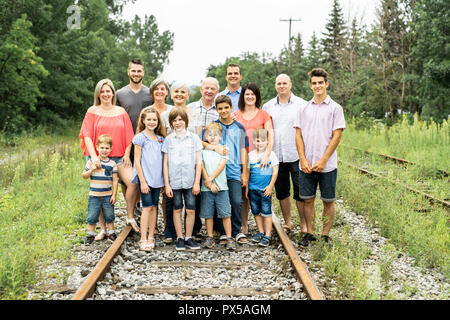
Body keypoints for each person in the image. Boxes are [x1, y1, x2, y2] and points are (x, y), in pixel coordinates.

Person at [294, 68, 346, 247]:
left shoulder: (335, 108)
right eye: (314, 83)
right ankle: (310, 232)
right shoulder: (303, 109)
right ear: (310, 86)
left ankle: (325, 235)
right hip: (307, 163)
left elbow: (337, 136)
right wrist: (302, 159)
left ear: (326, 84)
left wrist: (323, 160)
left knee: (328, 200)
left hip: (327, 165)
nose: (317, 86)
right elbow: (298, 135)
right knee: (307, 200)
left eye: (320, 83)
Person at [79, 79, 135, 238]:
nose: (105, 94)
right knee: (101, 192)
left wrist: (126, 154)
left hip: (119, 157)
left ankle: (129, 216)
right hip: (98, 158)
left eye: (108, 91)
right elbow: (87, 136)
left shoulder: (121, 111)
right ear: (98, 93)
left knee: (132, 182)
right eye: (102, 91)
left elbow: (130, 136)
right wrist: (94, 157)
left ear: (113, 93)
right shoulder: (92, 111)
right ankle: (103, 228)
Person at [262, 74, 308, 235]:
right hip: (276, 155)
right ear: (275, 85)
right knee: (282, 191)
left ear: (290, 84)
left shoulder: (302, 104)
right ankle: (287, 222)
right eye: (279, 83)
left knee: (300, 191)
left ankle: (303, 224)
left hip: (296, 154)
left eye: (284, 83)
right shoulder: (268, 106)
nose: (281, 86)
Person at [233, 83, 273, 237]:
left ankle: (263, 228)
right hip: (240, 159)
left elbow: (270, 136)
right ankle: (244, 224)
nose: (250, 97)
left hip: (258, 160)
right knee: (243, 194)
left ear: (257, 97)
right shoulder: (236, 115)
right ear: (243, 96)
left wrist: (267, 155)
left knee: (258, 193)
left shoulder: (264, 115)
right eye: (247, 94)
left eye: (253, 94)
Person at [162, 107, 203, 251]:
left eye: (180, 119)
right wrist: (167, 185)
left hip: (190, 181)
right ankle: (179, 237)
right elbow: (165, 164)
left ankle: (189, 237)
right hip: (174, 182)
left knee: (191, 209)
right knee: (177, 209)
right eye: (174, 120)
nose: (178, 123)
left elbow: (199, 162)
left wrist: (197, 182)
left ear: (185, 121)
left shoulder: (194, 138)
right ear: (171, 123)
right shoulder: (168, 140)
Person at [213, 95, 249, 245]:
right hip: (217, 172)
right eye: (220, 108)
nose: (223, 111)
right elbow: (204, 144)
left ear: (231, 108)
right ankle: (222, 231)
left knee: (236, 201)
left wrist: (244, 172)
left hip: (234, 170)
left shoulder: (239, 127)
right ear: (216, 110)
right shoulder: (213, 127)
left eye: (226, 108)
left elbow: (243, 150)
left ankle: (236, 230)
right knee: (220, 202)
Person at [132, 107, 165, 252]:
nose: (152, 122)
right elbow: (137, 161)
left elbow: (162, 160)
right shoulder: (140, 138)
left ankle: (152, 235)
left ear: (158, 122)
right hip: (145, 179)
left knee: (154, 207)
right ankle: (143, 237)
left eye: (154, 119)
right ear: (143, 121)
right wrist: (143, 181)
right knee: (146, 207)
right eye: (149, 119)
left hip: (157, 179)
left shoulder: (160, 139)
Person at [200, 122, 235, 250]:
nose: (212, 137)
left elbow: (222, 165)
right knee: (208, 214)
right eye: (209, 135)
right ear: (205, 137)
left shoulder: (224, 149)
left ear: (220, 136)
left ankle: (229, 237)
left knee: (225, 213)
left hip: (221, 188)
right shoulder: (203, 151)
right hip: (207, 188)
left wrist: (210, 179)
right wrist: (208, 182)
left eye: (215, 135)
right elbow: (201, 166)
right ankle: (209, 237)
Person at [82, 135, 118, 244]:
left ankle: (111, 232)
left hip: (107, 194)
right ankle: (91, 234)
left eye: (107, 148)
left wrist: (114, 195)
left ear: (111, 149)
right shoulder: (92, 162)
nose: (104, 150)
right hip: (94, 195)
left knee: (109, 215)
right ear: (97, 147)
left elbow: (115, 180)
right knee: (92, 215)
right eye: (102, 147)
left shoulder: (112, 164)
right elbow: (84, 175)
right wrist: (91, 170)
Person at [246, 128, 279, 247]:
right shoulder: (250, 155)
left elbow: (275, 171)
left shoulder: (271, 155)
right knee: (256, 211)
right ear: (254, 142)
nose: (260, 143)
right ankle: (260, 231)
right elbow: (248, 173)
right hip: (253, 189)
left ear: (267, 142)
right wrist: (247, 189)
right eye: (258, 140)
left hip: (265, 190)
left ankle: (267, 234)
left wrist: (270, 186)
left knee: (266, 212)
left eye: (263, 140)